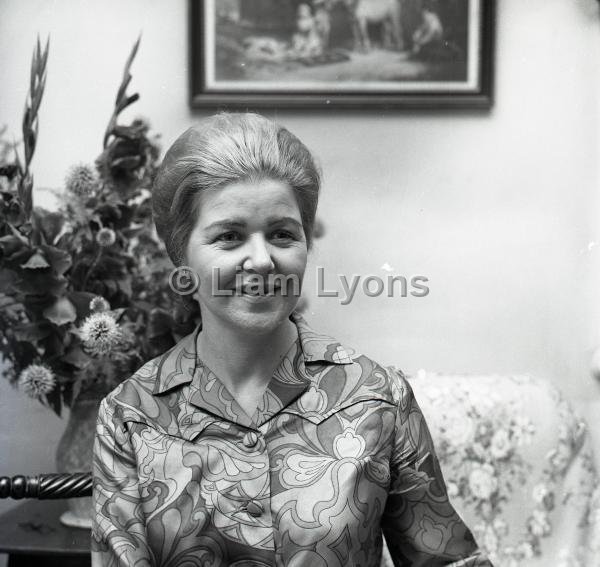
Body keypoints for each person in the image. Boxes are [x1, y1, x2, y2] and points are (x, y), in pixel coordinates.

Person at [91, 113, 492, 566]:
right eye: (229, 236)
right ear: (181, 255)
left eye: (282, 234)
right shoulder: (130, 416)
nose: (262, 261)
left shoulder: (378, 398)